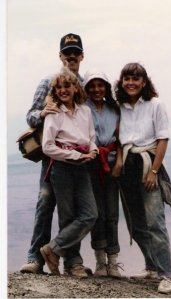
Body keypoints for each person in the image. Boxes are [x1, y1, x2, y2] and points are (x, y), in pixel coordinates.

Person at [20, 33, 92, 278]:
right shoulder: (48, 81)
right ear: (60, 56)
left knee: (71, 210)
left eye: (75, 52)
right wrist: (43, 114)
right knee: (45, 203)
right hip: (53, 157)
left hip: (80, 157)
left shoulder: (84, 83)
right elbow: (30, 115)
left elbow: (85, 119)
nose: (71, 56)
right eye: (67, 52)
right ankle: (35, 258)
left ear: (82, 55)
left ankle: (72, 261)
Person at [114, 62, 171, 294]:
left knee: (155, 222)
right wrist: (119, 160)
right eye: (127, 79)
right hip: (128, 165)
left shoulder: (155, 104)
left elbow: (163, 139)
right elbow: (119, 138)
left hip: (148, 163)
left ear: (144, 82)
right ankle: (150, 266)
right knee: (136, 222)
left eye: (135, 79)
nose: (131, 83)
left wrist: (154, 171)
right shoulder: (120, 106)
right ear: (122, 82)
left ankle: (165, 274)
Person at [40, 67, 98, 275]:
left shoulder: (85, 111)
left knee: (90, 214)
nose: (63, 90)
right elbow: (48, 147)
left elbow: (91, 137)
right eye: (59, 88)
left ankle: (52, 249)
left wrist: (93, 151)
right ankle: (74, 264)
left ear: (75, 88)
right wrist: (76, 156)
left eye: (67, 86)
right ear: (55, 92)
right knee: (68, 216)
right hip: (62, 168)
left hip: (82, 168)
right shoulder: (54, 114)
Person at [83, 70, 123, 278]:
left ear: (106, 88)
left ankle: (113, 261)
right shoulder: (82, 108)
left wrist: (119, 161)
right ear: (86, 88)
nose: (96, 90)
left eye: (101, 85)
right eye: (92, 85)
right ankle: (100, 261)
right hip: (91, 165)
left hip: (111, 164)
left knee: (112, 214)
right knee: (97, 213)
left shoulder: (114, 109)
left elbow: (120, 137)